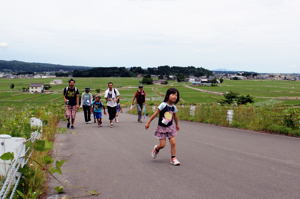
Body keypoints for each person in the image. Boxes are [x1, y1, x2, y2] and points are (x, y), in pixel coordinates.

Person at [145, 88, 181, 166]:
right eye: (173, 94)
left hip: (170, 127)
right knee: (162, 145)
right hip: (162, 128)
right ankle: (156, 149)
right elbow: (155, 114)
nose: (175, 96)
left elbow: (175, 117)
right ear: (168, 95)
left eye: (176, 95)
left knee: (173, 143)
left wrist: (177, 124)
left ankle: (173, 158)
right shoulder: (163, 105)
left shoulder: (174, 107)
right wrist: (148, 122)